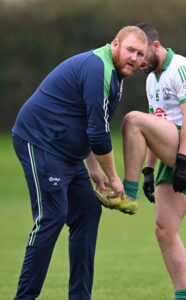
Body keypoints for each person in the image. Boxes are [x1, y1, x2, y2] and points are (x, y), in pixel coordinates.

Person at [12, 26, 147, 300]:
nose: (134, 57)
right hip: (39, 140)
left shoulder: (116, 77)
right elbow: (99, 134)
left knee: (87, 211)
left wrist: (94, 169)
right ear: (115, 44)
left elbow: (87, 122)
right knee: (52, 216)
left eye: (140, 54)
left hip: (66, 151)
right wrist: (114, 178)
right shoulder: (98, 68)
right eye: (130, 49)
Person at [101, 23, 186, 300]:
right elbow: (157, 128)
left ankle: (127, 193)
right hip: (175, 152)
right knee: (164, 229)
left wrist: (184, 160)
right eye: (134, 55)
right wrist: (150, 171)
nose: (138, 61)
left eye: (142, 54)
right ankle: (183, 295)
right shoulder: (152, 79)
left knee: (132, 120)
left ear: (156, 46)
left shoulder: (182, 68)